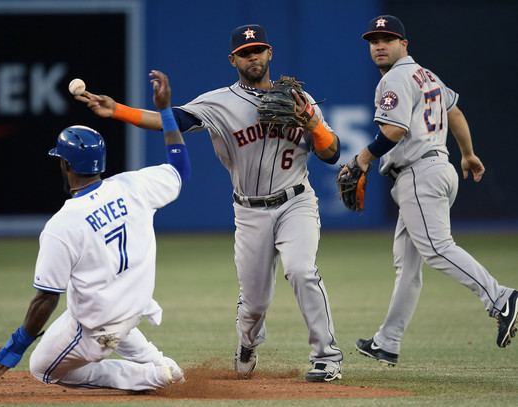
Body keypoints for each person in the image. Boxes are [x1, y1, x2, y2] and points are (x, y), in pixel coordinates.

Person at [75, 24, 343, 382]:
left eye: (258, 50)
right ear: (233, 59)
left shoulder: (300, 100)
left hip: (297, 202)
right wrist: (118, 111)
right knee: (254, 304)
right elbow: (173, 120)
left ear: (270, 53)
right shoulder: (218, 102)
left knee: (301, 270)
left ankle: (327, 357)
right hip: (250, 211)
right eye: (246, 53)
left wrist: (315, 125)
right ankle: (248, 342)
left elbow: (331, 153)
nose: (253, 57)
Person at [0, 70, 191, 391]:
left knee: (43, 370)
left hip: (98, 328)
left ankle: (150, 376)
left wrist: (16, 346)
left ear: (65, 165)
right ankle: (157, 361)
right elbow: (179, 167)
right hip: (134, 308)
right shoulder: (133, 185)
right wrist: (164, 109)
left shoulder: (62, 225)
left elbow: (46, 299)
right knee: (98, 310)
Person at [342, 15, 518, 366]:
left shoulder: (394, 78)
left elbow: (392, 131)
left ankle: (502, 299)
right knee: (407, 266)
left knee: (437, 248)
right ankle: (386, 342)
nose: (379, 45)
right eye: (374, 40)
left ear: (403, 44)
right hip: (437, 168)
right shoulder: (428, 76)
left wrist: (361, 158)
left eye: (387, 39)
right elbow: (455, 113)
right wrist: (467, 154)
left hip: (420, 174)